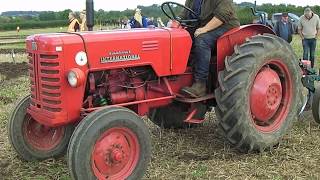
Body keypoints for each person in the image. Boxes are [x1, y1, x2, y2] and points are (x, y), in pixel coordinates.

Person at [180, 0, 240, 98]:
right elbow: (184, 13)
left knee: (202, 40)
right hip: (203, 26)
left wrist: (205, 29)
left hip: (225, 25)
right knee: (181, 37)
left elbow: (223, 14)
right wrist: (176, 21)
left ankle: (200, 84)